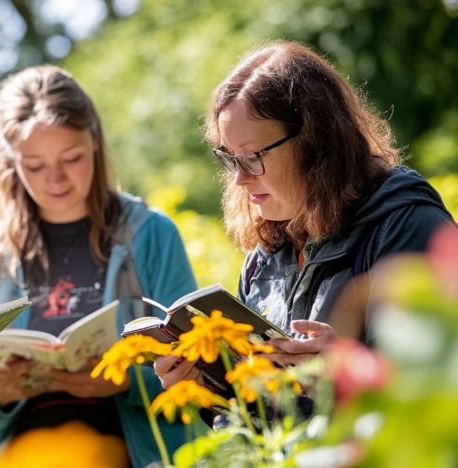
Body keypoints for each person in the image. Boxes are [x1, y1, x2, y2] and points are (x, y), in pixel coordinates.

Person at [0, 64, 198, 468]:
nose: (56, 179)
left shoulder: (151, 235)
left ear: (95, 143)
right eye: (35, 165)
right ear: (10, 163)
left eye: (70, 158)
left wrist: (117, 381)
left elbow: (196, 370)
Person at [155, 39, 455, 389]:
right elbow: (270, 414)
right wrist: (212, 388)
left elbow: (442, 389)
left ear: (315, 143)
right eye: (230, 157)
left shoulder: (406, 225)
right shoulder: (266, 254)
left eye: (252, 155)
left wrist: (348, 371)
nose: (239, 177)